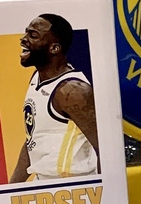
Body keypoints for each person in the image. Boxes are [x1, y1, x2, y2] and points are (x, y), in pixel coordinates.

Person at [10, 13, 100, 182]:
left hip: (74, 185)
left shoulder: (72, 92)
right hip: (44, 183)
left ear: (54, 48)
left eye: (33, 35)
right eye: (26, 32)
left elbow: (104, 148)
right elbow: (33, 139)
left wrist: (105, 193)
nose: (23, 39)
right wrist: (11, 189)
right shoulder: (37, 78)